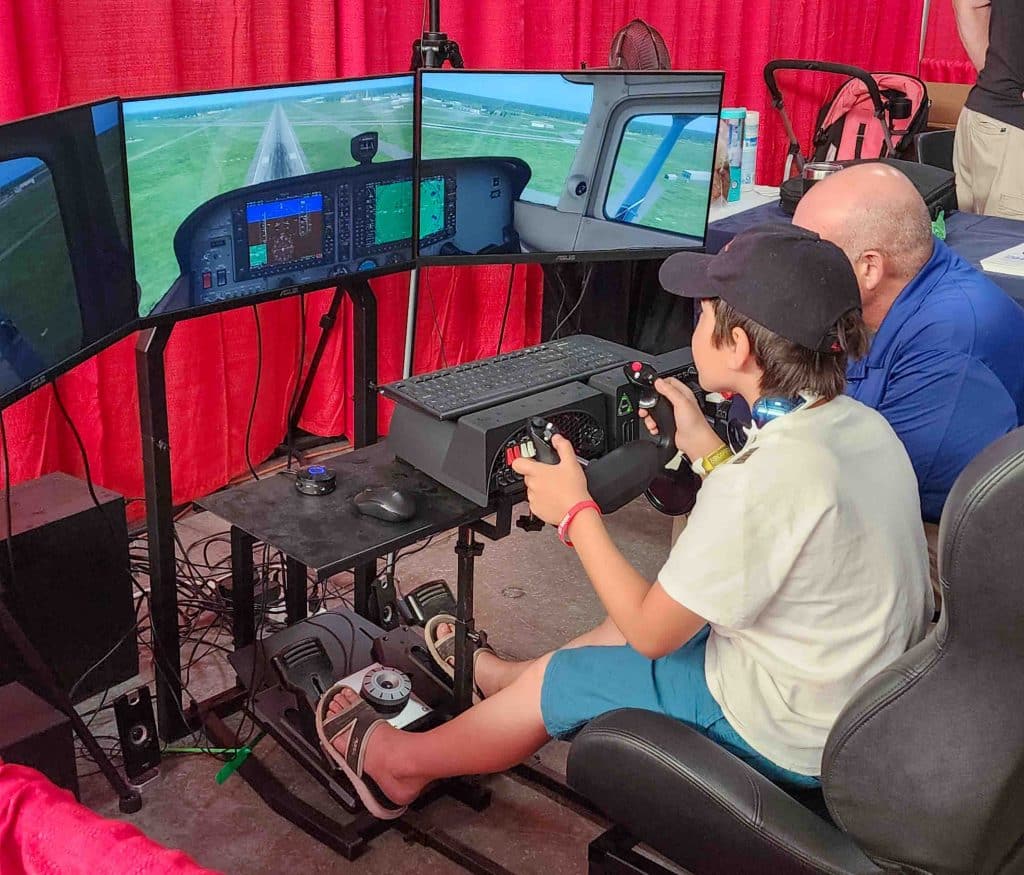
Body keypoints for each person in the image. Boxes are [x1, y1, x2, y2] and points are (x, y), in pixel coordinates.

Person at [313, 225, 932, 820]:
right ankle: (499, 680)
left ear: (738, 348)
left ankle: (402, 763)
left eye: (707, 313)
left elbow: (651, 634)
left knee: (573, 673)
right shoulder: (860, 428)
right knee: (651, 609)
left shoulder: (762, 483)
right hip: (850, 701)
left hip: (789, 733)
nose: (698, 322)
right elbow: (766, 535)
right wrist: (704, 447)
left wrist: (575, 511)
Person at [791, 163, 1024, 593]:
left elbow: (870, 489)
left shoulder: (951, 342)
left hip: (956, 543)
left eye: (810, 254)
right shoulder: (903, 288)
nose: (794, 269)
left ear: (870, 268)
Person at [952, 0, 1024, 218]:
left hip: (984, 115)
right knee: (1009, 246)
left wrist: (996, 75)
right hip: (1013, 131)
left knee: (969, 240)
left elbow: (968, 4)